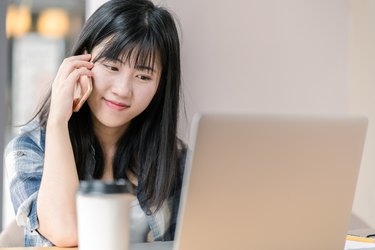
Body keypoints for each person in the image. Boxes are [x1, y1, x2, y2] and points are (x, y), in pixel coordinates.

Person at [4, 0, 186, 247]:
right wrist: (58, 120)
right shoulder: (28, 150)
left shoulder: (177, 158)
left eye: (143, 76)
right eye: (111, 66)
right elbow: (65, 232)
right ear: (81, 62)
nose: (122, 90)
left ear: (160, 85)